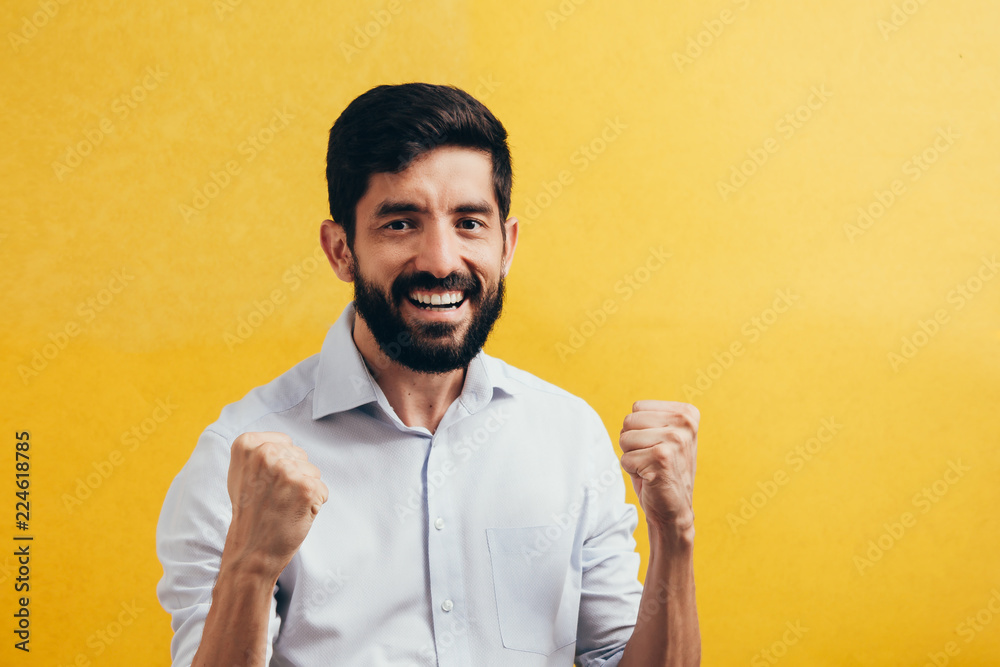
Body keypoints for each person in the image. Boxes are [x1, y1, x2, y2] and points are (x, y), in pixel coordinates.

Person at [156, 82, 700, 666]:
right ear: (341, 250)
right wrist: (251, 564)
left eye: (469, 223)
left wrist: (673, 536)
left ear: (507, 244)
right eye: (400, 224)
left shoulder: (569, 435)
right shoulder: (239, 461)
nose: (441, 260)